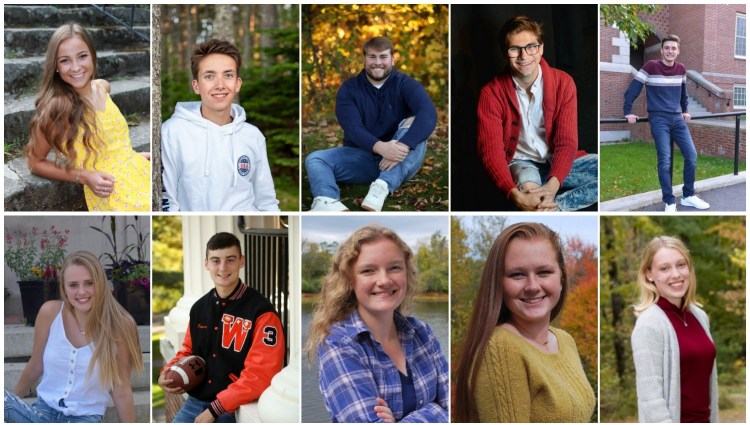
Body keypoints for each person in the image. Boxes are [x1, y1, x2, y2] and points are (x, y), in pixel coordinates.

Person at [305, 225, 449, 422]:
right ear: (350, 280)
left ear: (407, 273)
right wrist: (436, 410)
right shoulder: (338, 343)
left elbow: (457, 407)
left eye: (394, 267)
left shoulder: (421, 333)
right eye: (368, 270)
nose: (384, 280)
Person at [453, 222, 595, 422]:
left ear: (561, 277)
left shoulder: (565, 340)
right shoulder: (500, 349)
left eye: (544, 272)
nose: (533, 286)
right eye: (517, 274)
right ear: (499, 283)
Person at [158, 232, 285, 423]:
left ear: (241, 261)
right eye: (216, 260)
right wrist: (167, 372)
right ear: (206, 263)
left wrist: (215, 410)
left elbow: (261, 374)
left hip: (232, 408)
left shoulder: (262, 312)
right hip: (196, 400)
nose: (223, 268)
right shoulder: (199, 307)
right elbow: (188, 351)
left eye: (230, 260)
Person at [4, 251, 144, 422]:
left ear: (100, 284)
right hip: (41, 414)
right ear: (64, 288)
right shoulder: (50, 313)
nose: (82, 292)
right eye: (73, 285)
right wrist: (10, 405)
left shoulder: (121, 325)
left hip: (84, 418)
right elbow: (36, 365)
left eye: (89, 283)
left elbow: (121, 389)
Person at [23, 23, 150, 211]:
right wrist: (84, 177)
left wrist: (130, 158)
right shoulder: (57, 109)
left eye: (82, 56)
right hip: (111, 190)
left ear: (92, 55)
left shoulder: (102, 86)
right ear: (55, 66)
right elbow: (35, 162)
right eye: (65, 60)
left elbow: (109, 144)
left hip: (137, 171)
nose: (76, 67)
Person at [477, 16, 598, 212]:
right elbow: (490, 152)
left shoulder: (563, 83)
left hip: (559, 160)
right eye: (514, 49)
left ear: (541, 48)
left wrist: (552, 187)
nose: (524, 56)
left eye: (531, 47)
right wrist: (514, 194)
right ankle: (538, 198)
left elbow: (566, 141)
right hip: (522, 163)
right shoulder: (491, 93)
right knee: (530, 199)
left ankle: (556, 208)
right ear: (505, 53)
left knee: (608, 175)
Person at [305, 37, 437, 212]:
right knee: (315, 159)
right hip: (362, 157)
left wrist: (402, 145)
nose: (377, 63)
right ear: (364, 59)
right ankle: (327, 201)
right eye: (372, 57)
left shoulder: (406, 84)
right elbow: (352, 128)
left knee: (415, 124)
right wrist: (381, 147)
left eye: (383, 57)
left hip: (400, 160)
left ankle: (382, 185)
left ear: (392, 59)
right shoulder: (349, 89)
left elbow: (428, 113)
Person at [161, 39, 279, 212]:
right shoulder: (172, 132)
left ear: (238, 83)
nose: (220, 85)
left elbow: (266, 200)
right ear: (196, 86)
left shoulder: (253, 136)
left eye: (228, 75)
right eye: (209, 76)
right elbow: (167, 200)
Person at [631, 236, 718, 422]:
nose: (676, 274)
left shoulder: (699, 316)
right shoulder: (649, 324)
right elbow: (651, 399)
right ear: (649, 274)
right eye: (664, 268)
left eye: (681, 265)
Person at [624, 35, 710, 212]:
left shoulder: (681, 69)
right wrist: (628, 111)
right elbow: (633, 88)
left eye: (673, 48)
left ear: (678, 51)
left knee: (691, 156)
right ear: (662, 50)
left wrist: (685, 109)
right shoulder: (650, 67)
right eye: (667, 48)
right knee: (665, 160)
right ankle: (669, 200)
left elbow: (683, 93)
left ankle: (688, 196)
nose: (670, 51)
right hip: (659, 119)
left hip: (678, 118)